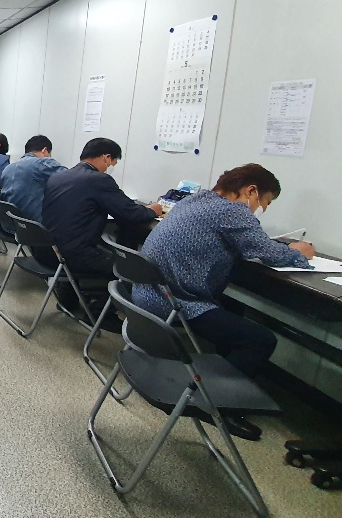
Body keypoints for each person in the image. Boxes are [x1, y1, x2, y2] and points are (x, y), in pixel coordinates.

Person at [133, 164, 314, 440]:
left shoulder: (196, 199)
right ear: (251, 191)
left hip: (146, 293)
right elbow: (271, 253)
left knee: (233, 310)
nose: (262, 209)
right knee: (261, 340)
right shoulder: (233, 212)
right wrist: (298, 251)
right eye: (264, 202)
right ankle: (218, 405)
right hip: (174, 303)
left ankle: (220, 378)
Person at [41, 137, 163, 279]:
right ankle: (115, 293)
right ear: (106, 158)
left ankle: (68, 289)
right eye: (112, 164)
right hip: (74, 257)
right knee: (134, 267)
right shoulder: (99, 180)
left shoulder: (57, 177)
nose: (109, 169)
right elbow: (130, 213)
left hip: (47, 252)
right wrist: (153, 210)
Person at [0, 135, 65, 223]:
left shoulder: (8, 169)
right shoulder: (41, 163)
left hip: (9, 224)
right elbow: (71, 177)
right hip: (32, 226)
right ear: (45, 150)